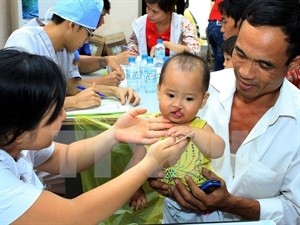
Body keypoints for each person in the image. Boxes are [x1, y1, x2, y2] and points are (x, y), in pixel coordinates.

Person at [149, 0, 300, 224]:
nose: (246, 73)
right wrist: (153, 176)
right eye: (240, 53)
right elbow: (154, 144)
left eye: (264, 65)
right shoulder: (197, 90)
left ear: (293, 64)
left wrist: (231, 204)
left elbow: (294, 209)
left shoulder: (295, 121)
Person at [0, 47, 189, 224]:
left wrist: (114, 133)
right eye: (53, 114)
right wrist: (148, 164)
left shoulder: (17, 143)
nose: (63, 115)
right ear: (13, 131)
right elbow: (74, 215)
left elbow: (67, 157)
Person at [127, 52, 225, 223]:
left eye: (188, 98)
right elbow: (134, 165)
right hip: (172, 204)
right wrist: (135, 189)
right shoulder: (152, 127)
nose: (177, 104)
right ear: (158, 91)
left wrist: (192, 133)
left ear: (203, 100)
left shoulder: (199, 127)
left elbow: (218, 149)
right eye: (170, 95)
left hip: (204, 203)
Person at [5, 0, 140, 111]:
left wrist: (114, 91)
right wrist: (73, 102)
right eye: (89, 34)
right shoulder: (25, 41)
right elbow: (21, 103)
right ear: (72, 25)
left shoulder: (65, 49)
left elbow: (72, 86)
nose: (87, 41)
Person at [75, 0, 138, 87]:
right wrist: (100, 82)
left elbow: (77, 63)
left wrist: (106, 60)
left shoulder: (81, 34)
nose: (102, 22)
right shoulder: (61, 43)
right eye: (101, 16)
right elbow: (68, 85)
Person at [127, 0, 201, 57]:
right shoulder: (141, 23)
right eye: (148, 8)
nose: (149, 14)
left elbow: (195, 50)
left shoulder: (182, 24)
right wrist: (134, 54)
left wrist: (165, 44)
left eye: (155, 12)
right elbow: (133, 43)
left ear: (168, 11)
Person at [206, 0, 224, 71]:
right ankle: (219, 76)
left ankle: (217, 73)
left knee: (217, 57)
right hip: (219, 25)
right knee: (221, 59)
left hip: (211, 25)